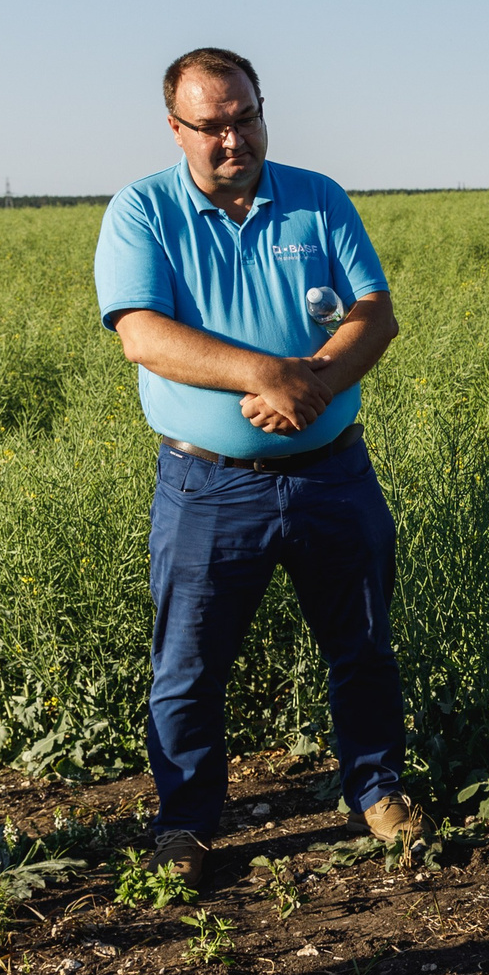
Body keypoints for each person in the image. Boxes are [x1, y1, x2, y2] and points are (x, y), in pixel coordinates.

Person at [94, 47, 420, 889]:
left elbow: (375, 313)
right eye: (212, 125)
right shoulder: (143, 210)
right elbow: (142, 333)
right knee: (189, 667)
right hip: (208, 483)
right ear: (176, 129)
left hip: (332, 471)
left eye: (246, 117)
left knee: (363, 646)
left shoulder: (317, 198)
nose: (233, 138)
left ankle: (377, 790)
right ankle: (187, 822)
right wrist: (265, 374)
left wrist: (313, 388)